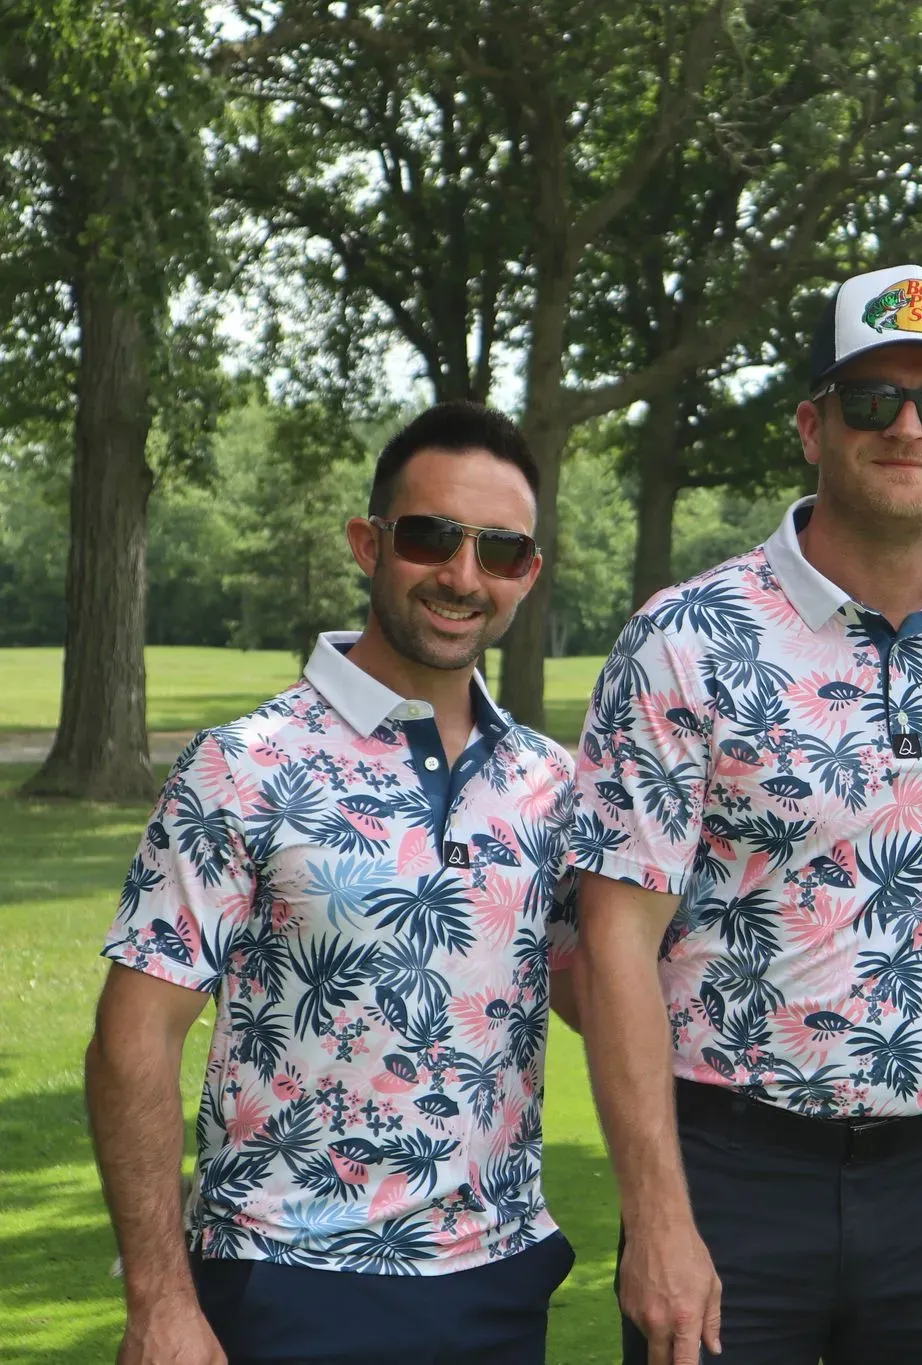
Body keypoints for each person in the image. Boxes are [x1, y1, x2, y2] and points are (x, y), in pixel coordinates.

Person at [568, 264, 922, 1365]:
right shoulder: (684, 638)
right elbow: (612, 944)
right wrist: (656, 1216)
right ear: (811, 425)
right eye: (872, 398)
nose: (908, 427)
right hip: (731, 1176)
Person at [88, 401, 583, 1365]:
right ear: (370, 542)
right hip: (286, 1282)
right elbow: (133, 1037)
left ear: (529, 573)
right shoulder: (242, 766)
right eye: (431, 536)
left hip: (499, 1284)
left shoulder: (551, 783)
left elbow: (594, 996)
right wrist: (159, 1300)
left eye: (501, 550)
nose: (461, 575)